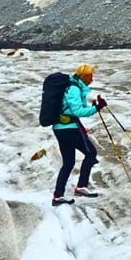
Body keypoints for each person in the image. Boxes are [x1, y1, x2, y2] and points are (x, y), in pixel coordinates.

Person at [51, 64, 106, 207]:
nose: (92, 79)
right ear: (84, 76)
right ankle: (81, 187)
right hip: (69, 128)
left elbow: (73, 109)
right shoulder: (74, 88)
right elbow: (78, 111)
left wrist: (94, 107)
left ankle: (58, 196)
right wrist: (97, 108)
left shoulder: (72, 87)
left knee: (68, 163)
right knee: (91, 153)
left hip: (60, 127)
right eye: (90, 76)